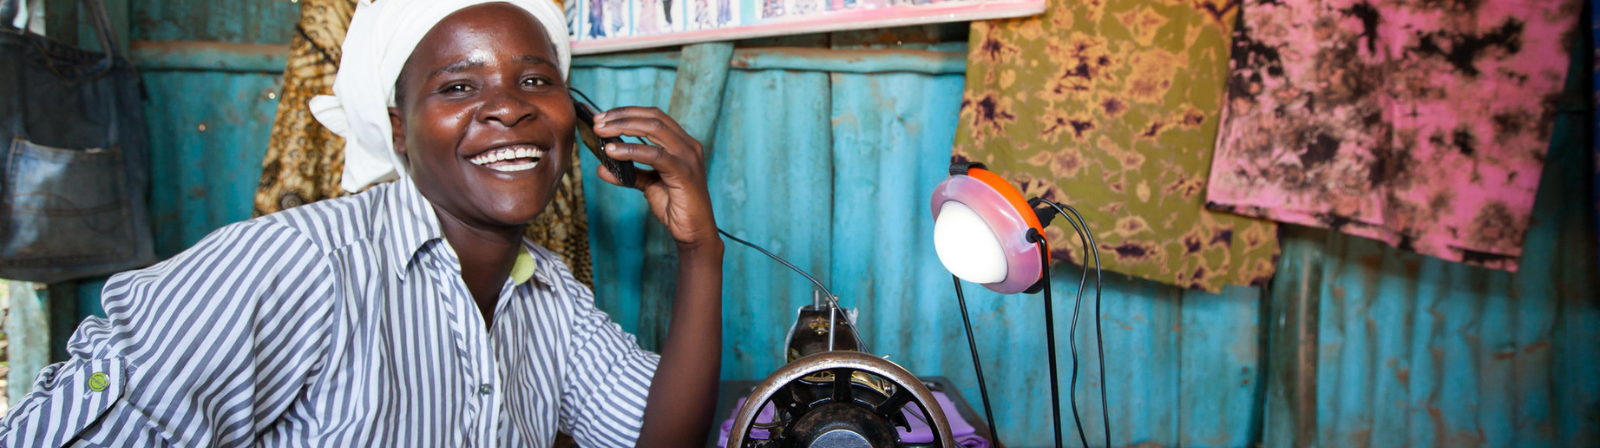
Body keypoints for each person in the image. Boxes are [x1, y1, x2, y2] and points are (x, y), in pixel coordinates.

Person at [0, 0, 724, 446]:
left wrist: (701, 253)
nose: (510, 107)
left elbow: (656, 440)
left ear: (579, 120)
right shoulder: (294, 266)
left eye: (536, 79)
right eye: (459, 86)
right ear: (398, 130)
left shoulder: (549, 296)